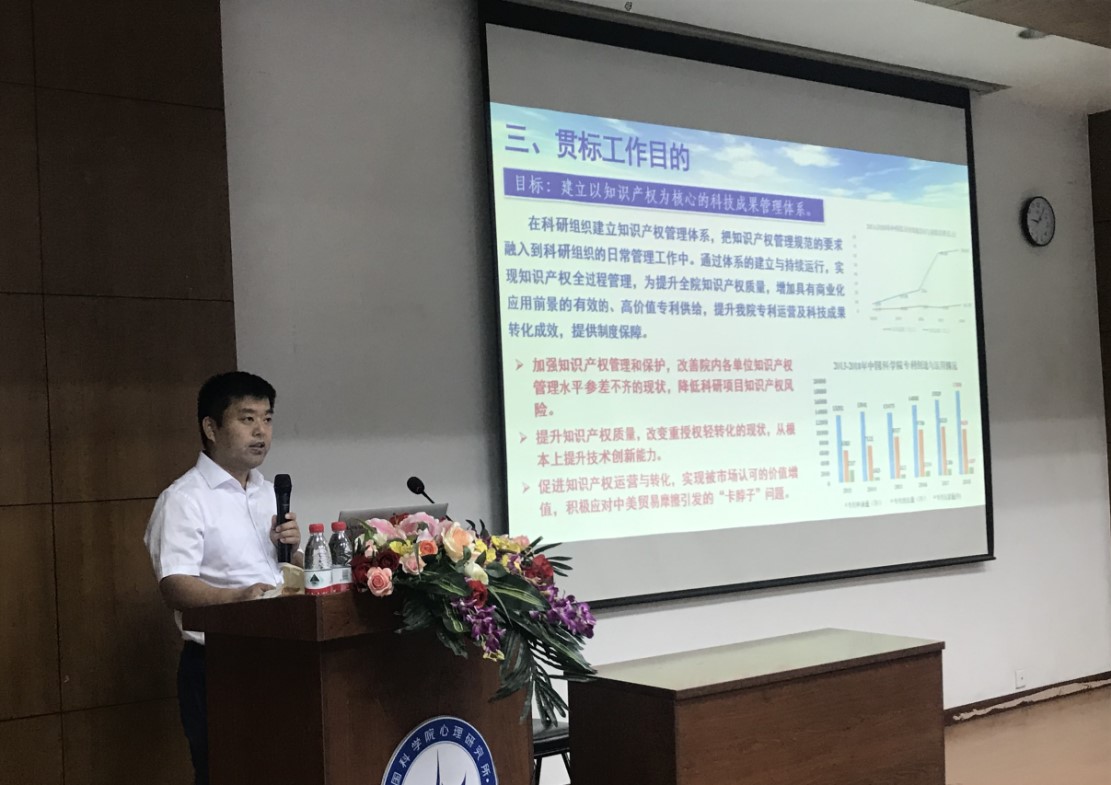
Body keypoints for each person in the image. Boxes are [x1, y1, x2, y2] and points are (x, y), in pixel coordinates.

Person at [144, 371, 302, 785]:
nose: (261, 432)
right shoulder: (185, 499)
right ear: (211, 428)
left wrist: (295, 552)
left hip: (282, 656)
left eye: (267, 419)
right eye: (247, 419)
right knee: (228, 773)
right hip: (220, 666)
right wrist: (237, 599)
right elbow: (174, 585)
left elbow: (275, 573)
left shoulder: (268, 492)